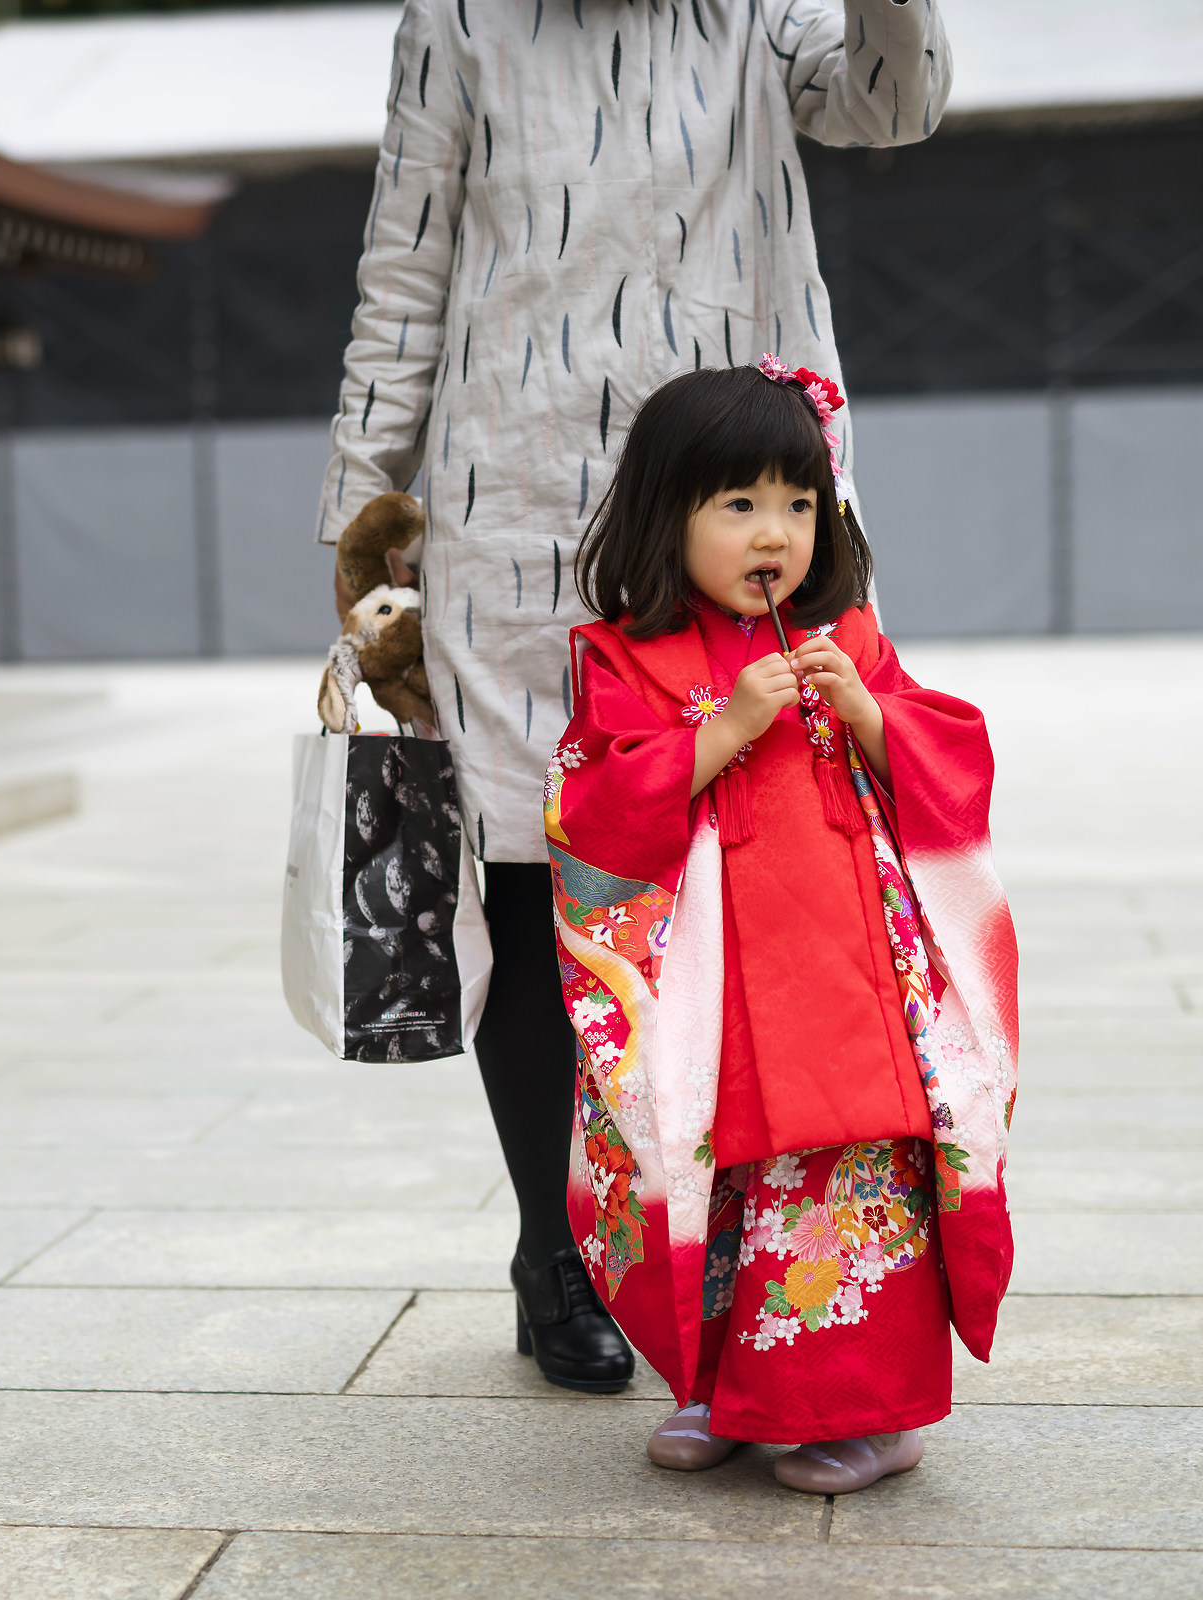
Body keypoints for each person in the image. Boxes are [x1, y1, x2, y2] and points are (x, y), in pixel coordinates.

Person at [317, 0, 952, 1393]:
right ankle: (561, 1247)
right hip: (518, 500)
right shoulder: (458, 19)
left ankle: (733, 1228)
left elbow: (890, 104)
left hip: (741, 506)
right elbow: (406, 266)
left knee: (749, 867)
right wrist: (365, 528)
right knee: (545, 880)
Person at [543, 363, 1018, 1492]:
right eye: (740, 503)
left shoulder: (845, 636)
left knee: (845, 1174)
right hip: (715, 991)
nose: (778, 532)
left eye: (799, 503)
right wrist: (720, 732)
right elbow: (588, 804)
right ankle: (731, 1390)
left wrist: (865, 713)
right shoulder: (625, 655)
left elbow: (950, 759)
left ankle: (876, 1409)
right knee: (717, 1167)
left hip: (849, 977)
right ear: (671, 513)